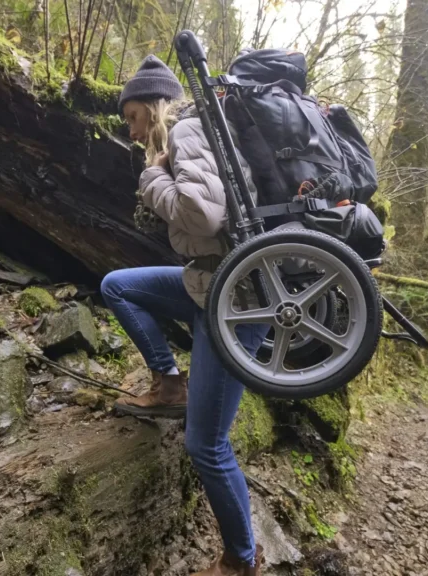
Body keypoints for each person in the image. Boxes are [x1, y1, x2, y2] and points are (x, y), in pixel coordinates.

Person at [101, 55, 266, 576]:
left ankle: (241, 561)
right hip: (207, 283)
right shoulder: (190, 135)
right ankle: (169, 384)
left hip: (236, 301)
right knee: (119, 286)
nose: (130, 131)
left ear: (153, 107)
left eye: (132, 117)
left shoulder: (190, 129)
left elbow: (202, 211)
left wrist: (152, 177)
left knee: (207, 445)